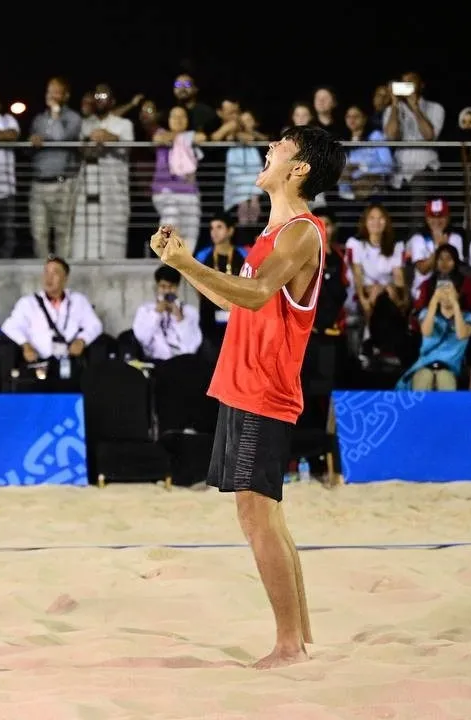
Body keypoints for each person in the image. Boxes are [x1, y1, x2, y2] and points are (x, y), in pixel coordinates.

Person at [148, 124, 346, 669]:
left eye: (279, 147)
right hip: (243, 384)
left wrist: (188, 264)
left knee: (258, 518)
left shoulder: (301, 233)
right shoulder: (272, 231)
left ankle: (288, 646)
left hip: (265, 389)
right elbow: (237, 301)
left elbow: (257, 294)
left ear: (299, 168)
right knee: (267, 518)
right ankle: (300, 637)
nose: (268, 149)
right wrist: (182, 264)